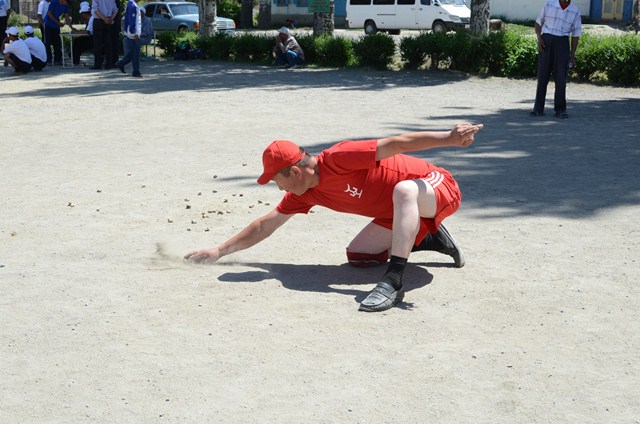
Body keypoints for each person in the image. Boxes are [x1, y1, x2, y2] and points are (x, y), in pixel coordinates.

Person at [185, 123, 484, 312]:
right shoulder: (305, 193)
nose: (279, 188)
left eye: (278, 180)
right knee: (359, 256)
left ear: (296, 171)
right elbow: (266, 224)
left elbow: (398, 143)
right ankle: (430, 235)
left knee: (404, 190)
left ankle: (393, 281)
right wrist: (219, 251)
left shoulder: (339, 158)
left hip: (434, 187)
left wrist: (449, 138)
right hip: (397, 212)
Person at [530, 0, 582, 120]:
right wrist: (539, 39)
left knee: (561, 78)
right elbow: (538, 23)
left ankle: (560, 110)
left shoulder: (575, 11)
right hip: (546, 41)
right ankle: (538, 109)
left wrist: (572, 55)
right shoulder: (549, 4)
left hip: (562, 43)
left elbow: (576, 34)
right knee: (543, 77)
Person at [115, 0, 142, 77]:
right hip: (133, 34)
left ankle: (121, 63)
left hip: (134, 33)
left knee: (133, 53)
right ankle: (136, 71)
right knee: (135, 53)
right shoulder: (132, 5)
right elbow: (132, 20)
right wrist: (135, 33)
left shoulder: (134, 4)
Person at [90, 0, 118, 69]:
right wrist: (111, 19)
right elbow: (115, 10)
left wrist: (104, 19)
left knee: (97, 44)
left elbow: (95, 10)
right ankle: (108, 63)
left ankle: (98, 64)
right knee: (108, 44)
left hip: (98, 20)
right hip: (109, 20)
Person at [43, 0, 70, 65]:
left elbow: (67, 17)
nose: (67, 3)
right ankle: (48, 60)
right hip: (48, 25)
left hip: (56, 26)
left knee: (57, 43)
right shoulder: (54, 2)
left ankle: (57, 60)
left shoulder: (66, 5)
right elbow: (49, 13)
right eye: (66, 1)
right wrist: (57, 22)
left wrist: (71, 27)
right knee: (48, 43)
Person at [71, 1, 94, 66]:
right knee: (77, 41)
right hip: (92, 37)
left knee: (78, 42)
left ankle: (75, 60)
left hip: (93, 38)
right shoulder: (90, 19)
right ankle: (75, 58)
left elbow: (88, 32)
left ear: (84, 13)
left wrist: (77, 32)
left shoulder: (91, 19)